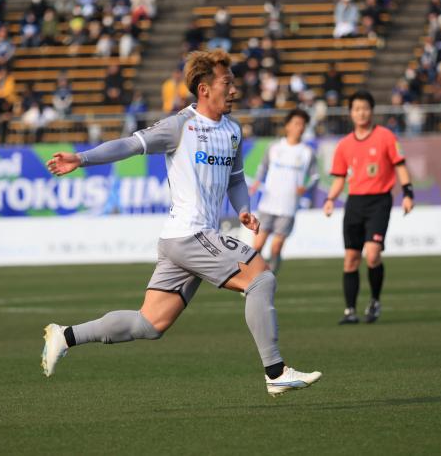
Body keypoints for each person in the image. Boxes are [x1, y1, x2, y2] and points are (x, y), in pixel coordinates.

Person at [42, 50, 322, 396]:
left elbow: (236, 179)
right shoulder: (179, 126)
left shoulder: (233, 130)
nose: (234, 90)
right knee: (261, 278)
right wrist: (81, 158)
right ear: (204, 89)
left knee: (149, 323)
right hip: (191, 234)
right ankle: (276, 372)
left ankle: (65, 335)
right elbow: (129, 145)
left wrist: (244, 209)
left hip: (184, 240)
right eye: (227, 83)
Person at [323, 90, 414, 325]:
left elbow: (400, 166)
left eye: (365, 108)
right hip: (354, 203)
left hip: (379, 201)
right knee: (351, 259)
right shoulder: (344, 145)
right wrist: (330, 199)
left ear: (371, 111)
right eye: (356, 109)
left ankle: (374, 300)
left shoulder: (386, 137)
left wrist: (408, 193)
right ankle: (350, 311)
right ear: (351, 113)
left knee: (372, 255)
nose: (361, 113)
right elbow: (339, 178)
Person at [249, 108, 318, 274]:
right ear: (287, 126)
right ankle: (252, 278)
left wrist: (306, 187)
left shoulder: (307, 153)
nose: (299, 127)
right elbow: (263, 167)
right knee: (257, 245)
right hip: (268, 204)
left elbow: (315, 177)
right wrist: (256, 182)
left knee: (276, 247)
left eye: (302, 124)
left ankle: (270, 278)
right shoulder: (274, 147)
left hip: (288, 206)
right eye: (296, 123)